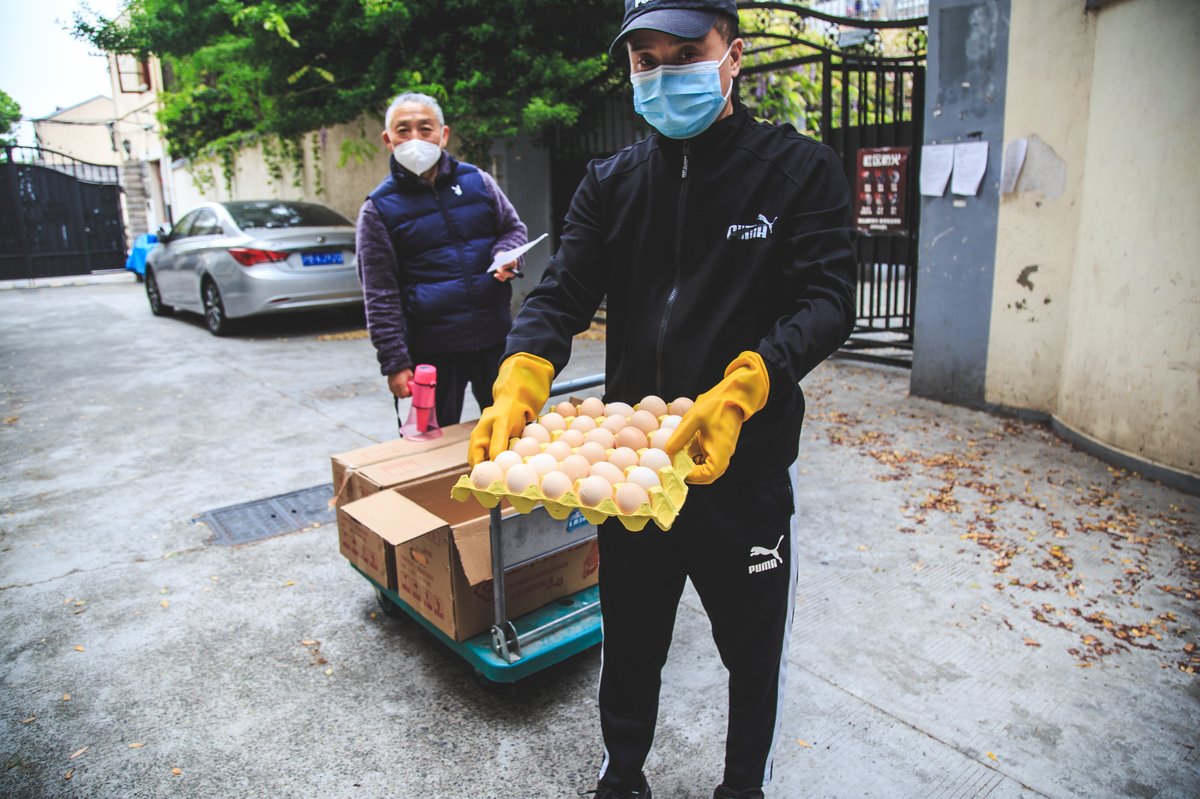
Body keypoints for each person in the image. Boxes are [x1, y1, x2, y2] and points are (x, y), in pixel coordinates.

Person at [468, 1, 857, 797]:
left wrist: (751, 381)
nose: (661, 73)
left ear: (733, 55)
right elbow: (561, 293)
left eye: (684, 53)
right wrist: (520, 374)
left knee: (751, 653)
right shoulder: (611, 184)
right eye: (645, 60)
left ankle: (742, 785)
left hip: (739, 476)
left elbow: (827, 298)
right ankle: (623, 776)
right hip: (635, 467)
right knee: (633, 638)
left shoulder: (797, 171)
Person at [356, 91, 529, 431]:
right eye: (403, 130)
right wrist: (395, 362)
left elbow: (513, 228)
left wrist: (506, 258)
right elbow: (379, 295)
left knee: (511, 434)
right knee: (430, 444)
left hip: (494, 339)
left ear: (444, 134)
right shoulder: (377, 208)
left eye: (425, 128)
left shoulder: (478, 182)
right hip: (431, 353)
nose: (415, 139)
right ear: (388, 139)